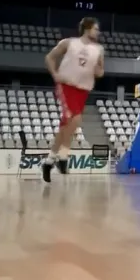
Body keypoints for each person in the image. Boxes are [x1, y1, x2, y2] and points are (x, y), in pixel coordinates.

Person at [42, 17, 104, 183]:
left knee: (66, 126)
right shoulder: (68, 43)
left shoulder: (99, 49)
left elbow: (100, 72)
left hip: (82, 90)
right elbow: (49, 57)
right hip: (67, 86)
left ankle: (49, 161)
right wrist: (55, 74)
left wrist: (98, 69)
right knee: (76, 119)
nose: (98, 32)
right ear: (87, 29)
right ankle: (63, 157)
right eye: (96, 29)